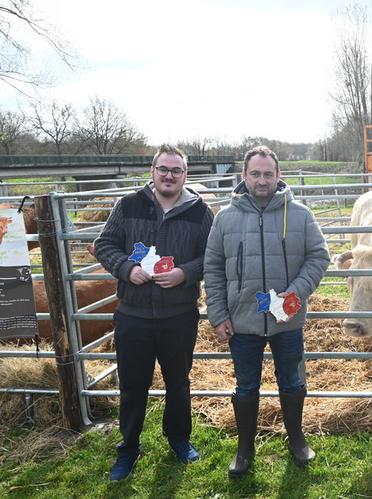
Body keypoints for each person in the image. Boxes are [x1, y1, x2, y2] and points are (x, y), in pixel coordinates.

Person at [203, 145, 330, 478]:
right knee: (246, 386)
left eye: (268, 174)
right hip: (241, 320)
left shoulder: (299, 214)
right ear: (244, 176)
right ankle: (245, 448)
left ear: (279, 176)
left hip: (287, 319)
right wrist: (218, 314)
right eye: (255, 174)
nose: (262, 180)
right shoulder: (225, 218)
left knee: (291, 380)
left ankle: (297, 440)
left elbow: (319, 257)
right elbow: (213, 268)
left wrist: (296, 293)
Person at [94, 144, 215, 481]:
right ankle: (128, 447)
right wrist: (126, 268)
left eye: (176, 170)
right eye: (163, 169)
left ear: (185, 175)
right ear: (153, 170)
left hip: (178, 314)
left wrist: (185, 273)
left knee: (178, 382)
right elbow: (104, 245)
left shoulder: (199, 211)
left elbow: (211, 255)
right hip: (133, 314)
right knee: (133, 385)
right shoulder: (128, 205)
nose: (169, 175)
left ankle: (178, 438)